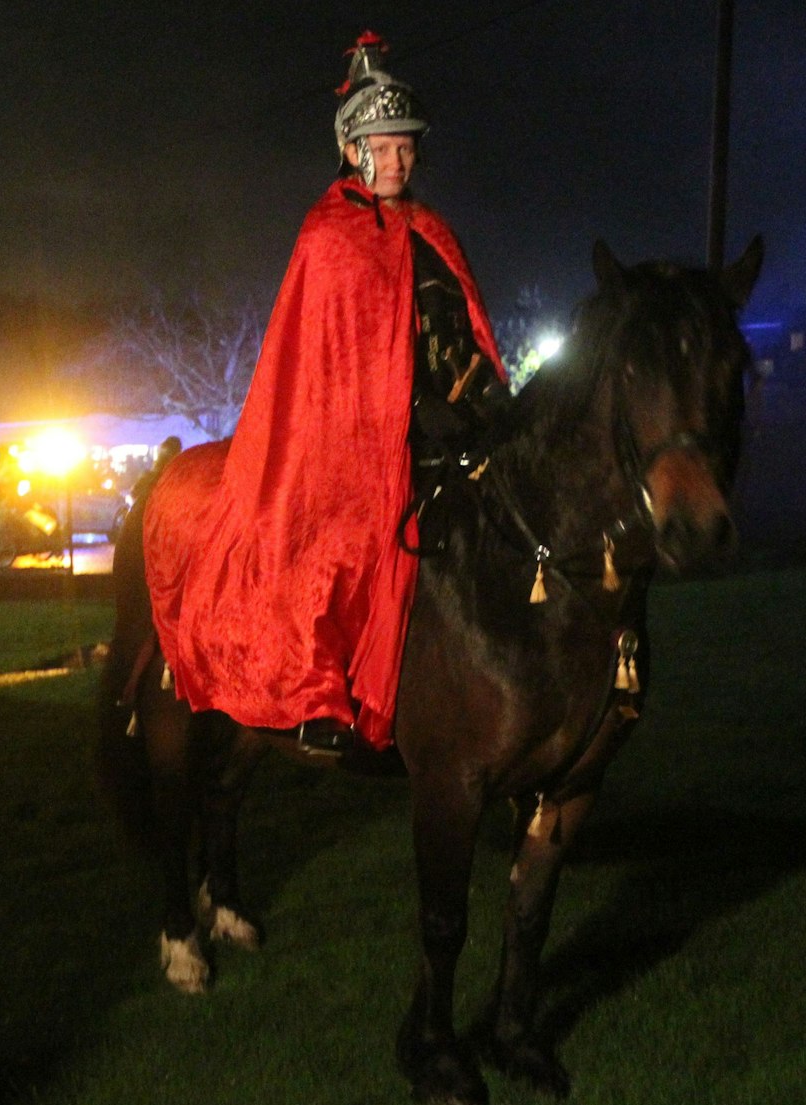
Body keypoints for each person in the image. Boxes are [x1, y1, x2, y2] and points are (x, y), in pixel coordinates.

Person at [146, 32, 506, 758]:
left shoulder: (433, 232)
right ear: (353, 150)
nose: (400, 159)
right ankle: (321, 695)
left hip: (449, 428)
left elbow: (461, 333)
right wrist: (399, 410)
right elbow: (324, 364)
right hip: (349, 439)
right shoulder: (328, 235)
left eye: (407, 146)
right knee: (338, 547)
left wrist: (483, 397)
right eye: (385, 145)